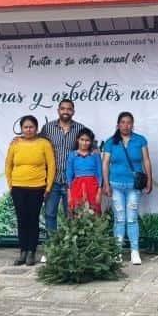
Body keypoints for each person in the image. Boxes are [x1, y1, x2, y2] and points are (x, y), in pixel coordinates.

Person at [39, 99, 89, 262]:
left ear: (73, 111)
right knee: (50, 214)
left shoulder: (80, 129)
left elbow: (91, 148)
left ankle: (70, 249)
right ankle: (51, 249)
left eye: (69, 109)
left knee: (72, 216)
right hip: (52, 180)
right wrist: (18, 139)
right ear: (58, 110)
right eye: (63, 108)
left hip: (72, 182)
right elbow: (36, 144)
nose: (65, 111)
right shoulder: (48, 128)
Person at [102, 112, 153, 265]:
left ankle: (134, 251)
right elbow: (105, 163)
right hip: (116, 185)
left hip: (134, 186)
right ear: (118, 125)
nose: (126, 125)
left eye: (129, 122)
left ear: (133, 124)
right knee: (119, 218)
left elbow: (146, 160)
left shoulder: (140, 140)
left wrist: (149, 180)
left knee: (131, 218)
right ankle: (117, 251)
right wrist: (106, 183)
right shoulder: (111, 142)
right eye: (123, 122)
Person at [5, 115, 55, 266]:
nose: (28, 130)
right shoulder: (15, 144)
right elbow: (8, 165)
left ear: (36, 128)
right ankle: (23, 251)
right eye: (25, 127)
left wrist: (48, 187)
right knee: (22, 220)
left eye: (31, 127)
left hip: (37, 187)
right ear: (21, 129)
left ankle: (32, 252)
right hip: (18, 187)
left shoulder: (44, 143)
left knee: (33, 220)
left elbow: (51, 165)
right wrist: (11, 185)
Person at [66, 128, 102, 214]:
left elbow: (99, 174)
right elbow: (69, 175)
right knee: (78, 212)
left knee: (93, 211)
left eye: (87, 140)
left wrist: (99, 192)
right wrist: (69, 194)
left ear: (91, 142)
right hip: (77, 187)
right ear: (77, 140)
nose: (84, 143)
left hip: (93, 187)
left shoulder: (95, 155)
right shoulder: (72, 155)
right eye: (82, 140)